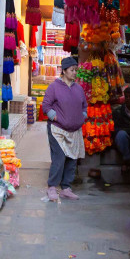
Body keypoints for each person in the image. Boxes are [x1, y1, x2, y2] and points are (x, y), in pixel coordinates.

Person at [41, 55, 86, 202]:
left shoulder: (79, 89)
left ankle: (66, 188)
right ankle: (52, 187)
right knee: (59, 158)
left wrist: (82, 116)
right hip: (57, 129)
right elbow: (45, 106)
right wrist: (55, 117)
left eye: (76, 70)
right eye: (72, 70)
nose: (75, 73)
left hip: (74, 131)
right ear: (64, 71)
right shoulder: (54, 87)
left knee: (72, 158)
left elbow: (84, 105)